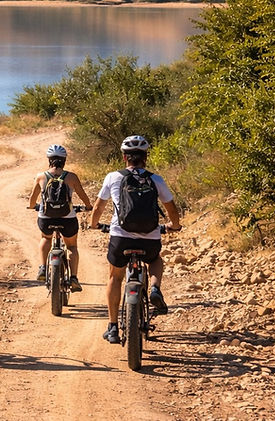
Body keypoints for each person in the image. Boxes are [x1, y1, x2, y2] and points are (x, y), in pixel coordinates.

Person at [89, 135, 182, 344]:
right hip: (150, 238)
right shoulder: (156, 179)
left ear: (124, 157)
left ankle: (113, 327)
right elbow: (171, 209)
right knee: (155, 259)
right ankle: (155, 288)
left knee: (115, 277)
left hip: (120, 238)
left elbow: (98, 208)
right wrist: (174, 226)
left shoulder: (113, 177)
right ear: (145, 158)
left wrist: (94, 225)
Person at [26, 144, 92, 291]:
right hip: (67, 218)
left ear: (49, 160)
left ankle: (42, 268)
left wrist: (32, 206)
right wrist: (88, 206)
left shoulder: (41, 176)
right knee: (72, 246)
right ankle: (73, 278)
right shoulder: (71, 177)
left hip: (46, 218)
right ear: (64, 160)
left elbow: (32, 200)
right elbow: (83, 195)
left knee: (45, 238)